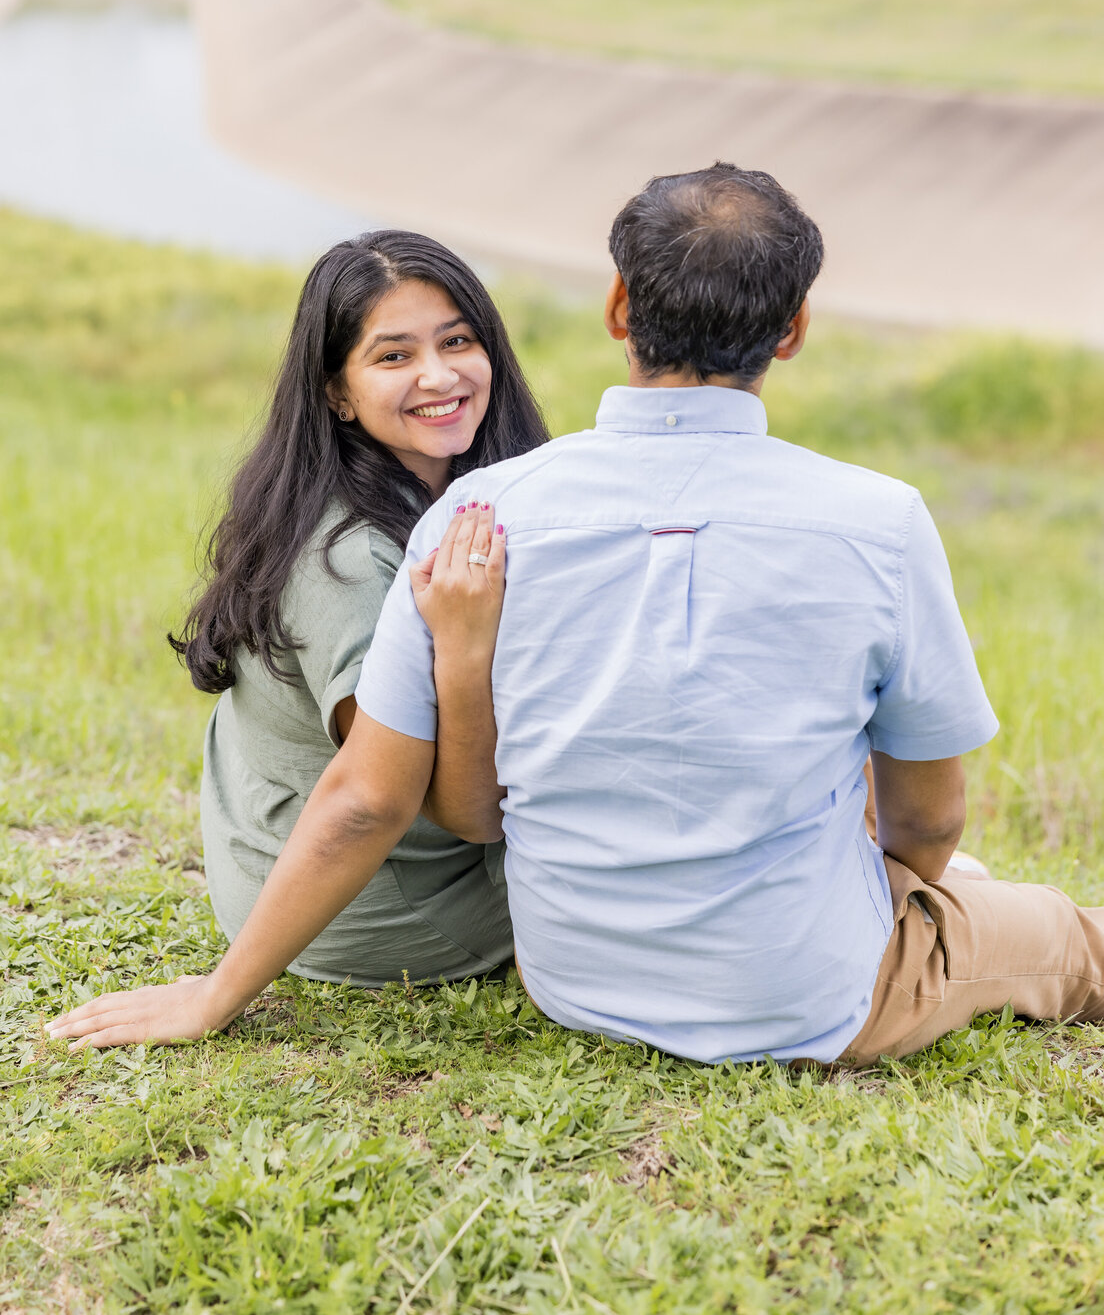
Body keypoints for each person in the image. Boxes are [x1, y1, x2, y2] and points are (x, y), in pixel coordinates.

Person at [352, 164, 1104, 1065]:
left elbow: (457, 803)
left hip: (571, 983)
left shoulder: (477, 513)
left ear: (619, 307)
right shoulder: (880, 519)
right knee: (1063, 932)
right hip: (808, 1002)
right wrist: (894, 894)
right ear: (794, 330)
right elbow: (930, 824)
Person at [53, 231, 546, 1048]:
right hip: (384, 907)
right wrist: (214, 997)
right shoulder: (351, 564)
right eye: (394, 356)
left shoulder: (440, 495)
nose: (439, 374)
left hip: (278, 851)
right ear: (339, 394)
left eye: (458, 339)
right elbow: (388, 800)